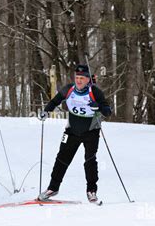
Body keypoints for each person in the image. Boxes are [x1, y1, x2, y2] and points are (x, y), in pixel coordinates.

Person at [37, 64, 112, 203]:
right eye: (77, 77)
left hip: (91, 131)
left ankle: (91, 191)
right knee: (61, 159)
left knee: (90, 161)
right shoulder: (69, 89)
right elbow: (55, 101)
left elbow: (108, 111)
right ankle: (53, 188)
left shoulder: (95, 92)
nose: (79, 81)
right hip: (71, 131)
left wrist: (99, 107)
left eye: (82, 78)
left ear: (88, 79)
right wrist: (46, 111)